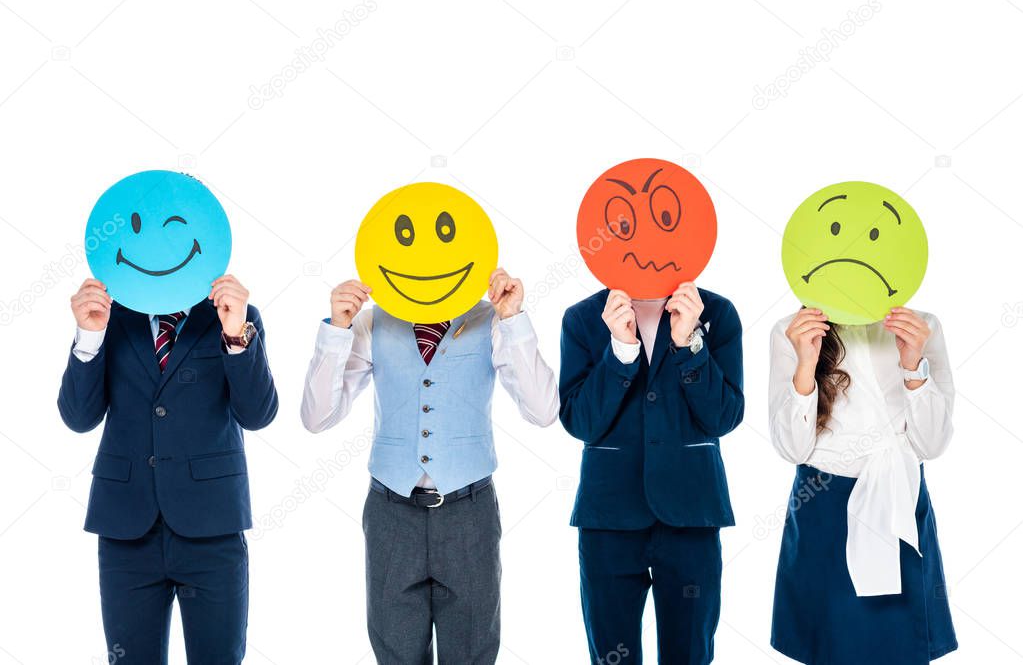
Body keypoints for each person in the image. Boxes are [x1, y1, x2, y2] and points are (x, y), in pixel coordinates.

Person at [300, 268, 559, 664]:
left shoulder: (491, 319)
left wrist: (513, 320)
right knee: (395, 654)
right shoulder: (372, 321)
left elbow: (543, 411)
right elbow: (318, 417)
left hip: (469, 514)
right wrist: (337, 330)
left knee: (472, 655)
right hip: (391, 515)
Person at [57, 276, 278, 664]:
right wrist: (88, 336)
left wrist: (235, 335)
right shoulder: (110, 316)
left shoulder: (237, 316)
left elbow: (257, 414)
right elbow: (78, 417)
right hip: (127, 527)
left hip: (213, 526)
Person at [559, 283, 744, 664]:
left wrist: (688, 344)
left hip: (692, 512)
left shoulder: (717, 313)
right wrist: (621, 352)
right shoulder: (582, 318)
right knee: (611, 656)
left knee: (690, 653)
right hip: (609, 516)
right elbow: (580, 421)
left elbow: (723, 416)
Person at [768, 306, 957, 664]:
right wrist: (805, 363)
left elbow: (932, 444)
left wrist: (914, 363)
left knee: (899, 648)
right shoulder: (791, 331)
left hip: (898, 498)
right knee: (829, 646)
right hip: (824, 508)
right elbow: (792, 448)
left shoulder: (922, 326)